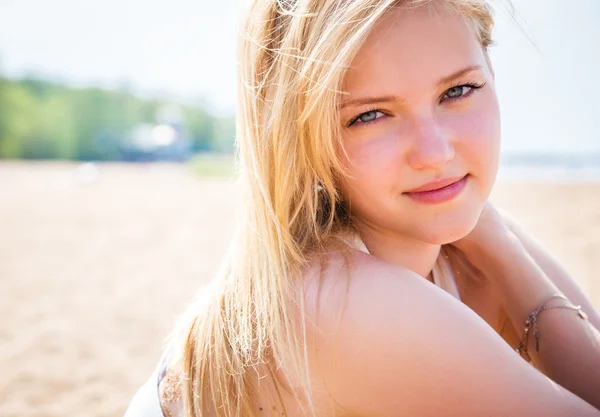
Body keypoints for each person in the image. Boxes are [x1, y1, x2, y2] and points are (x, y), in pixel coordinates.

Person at [124, 0, 600, 416]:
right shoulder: (336, 299)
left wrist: (499, 246)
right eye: (370, 116)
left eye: (458, 91)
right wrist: (502, 251)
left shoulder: (457, 232)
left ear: (491, 75)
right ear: (301, 140)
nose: (434, 152)